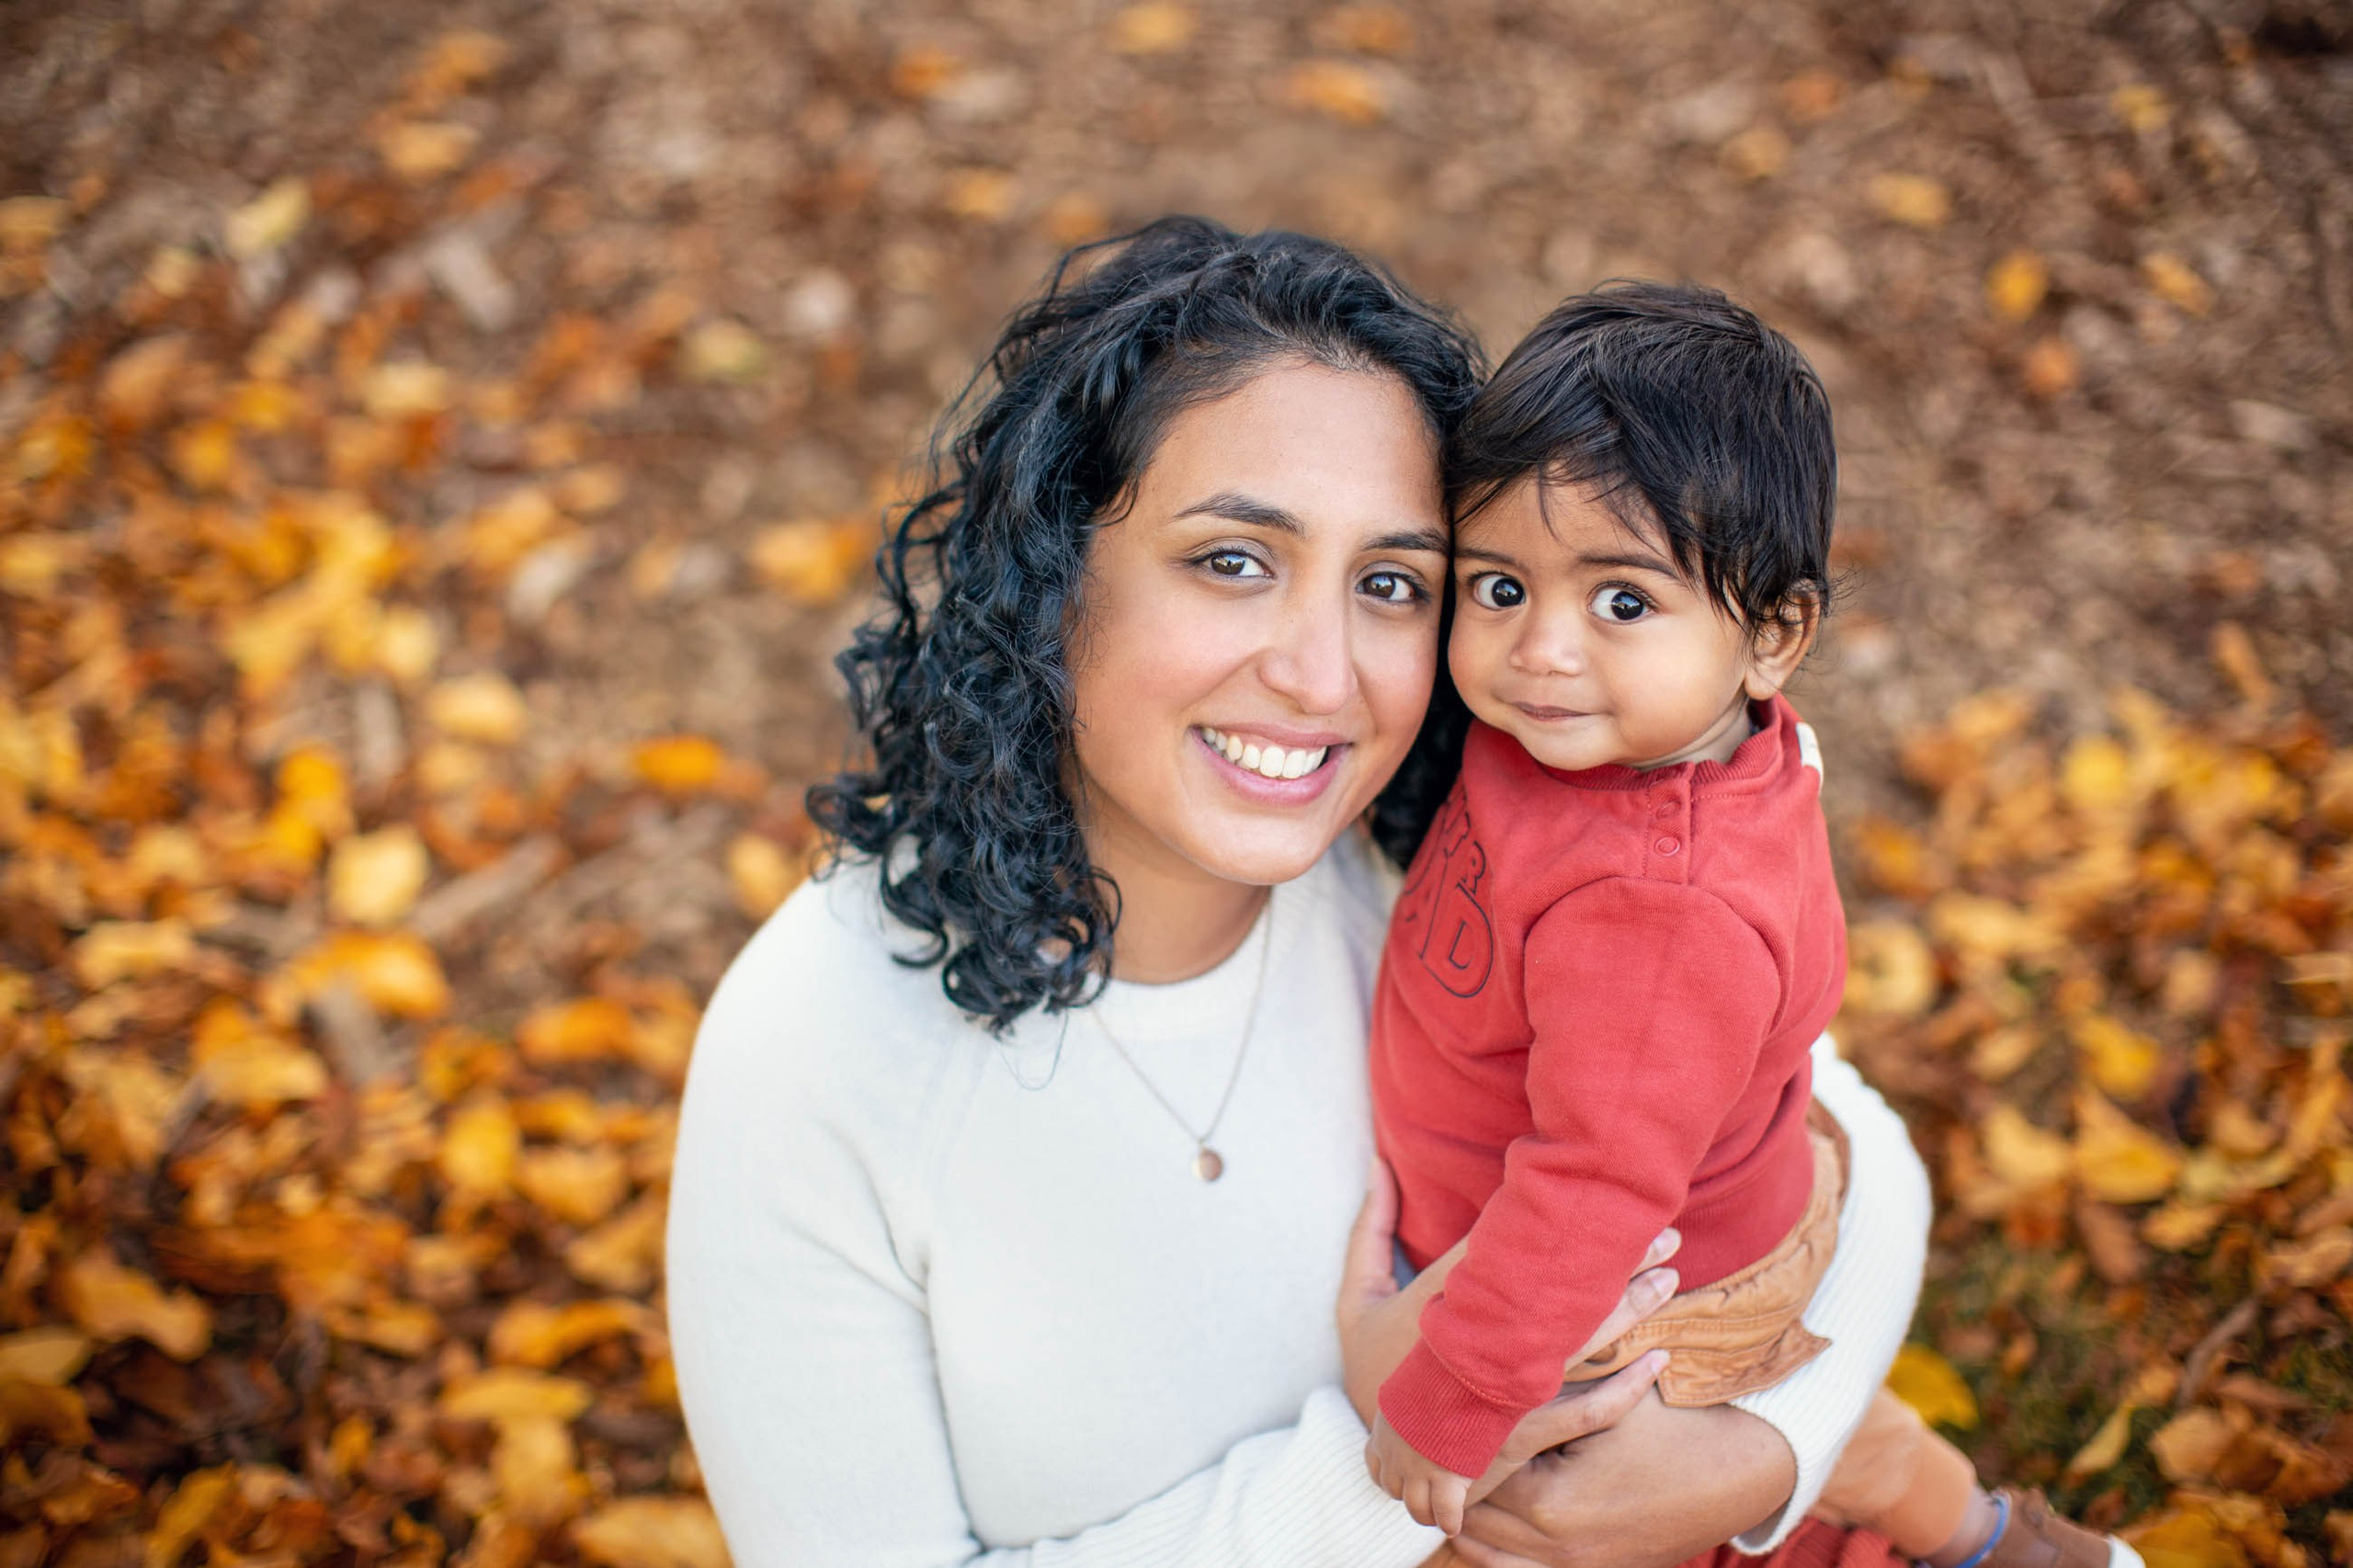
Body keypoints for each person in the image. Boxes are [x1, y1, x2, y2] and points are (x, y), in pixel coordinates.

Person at [665, 219, 1933, 1566]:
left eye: (1393, 583)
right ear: (1052, 576)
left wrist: (1768, 1451)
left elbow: (1852, 1152)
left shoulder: (1429, 837)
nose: (1324, 678)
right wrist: (1382, 1470)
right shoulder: (815, 1045)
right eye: (1232, 560)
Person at [1358, 284, 2136, 1568]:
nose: (1538, 647)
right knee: (1811, 1484)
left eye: (1622, 602)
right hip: (1683, 1211)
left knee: (1542, 1529)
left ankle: (1958, 1536)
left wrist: (1450, 1403)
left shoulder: (1653, 909)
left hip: (1630, 1296)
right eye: (1499, 584)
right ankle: (1982, 1537)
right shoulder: (1621, 744)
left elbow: (1593, 1183)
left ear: (1775, 635)